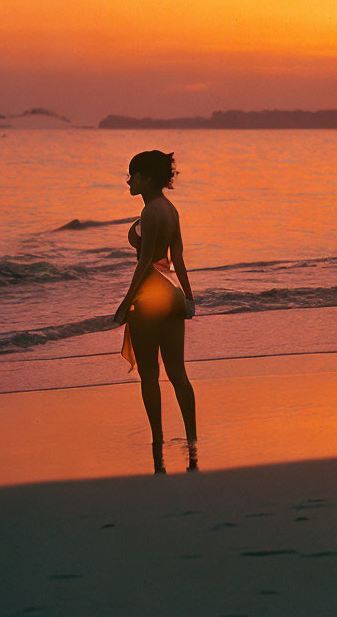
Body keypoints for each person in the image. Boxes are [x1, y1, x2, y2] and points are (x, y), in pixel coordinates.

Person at [113, 150, 197, 474]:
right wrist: (189, 298)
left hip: (150, 299)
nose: (129, 180)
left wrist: (124, 304)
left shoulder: (150, 212)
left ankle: (158, 445)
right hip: (173, 298)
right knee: (178, 374)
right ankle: (192, 441)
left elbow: (146, 262)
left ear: (147, 178)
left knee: (150, 376)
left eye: (132, 174)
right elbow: (177, 259)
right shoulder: (171, 210)